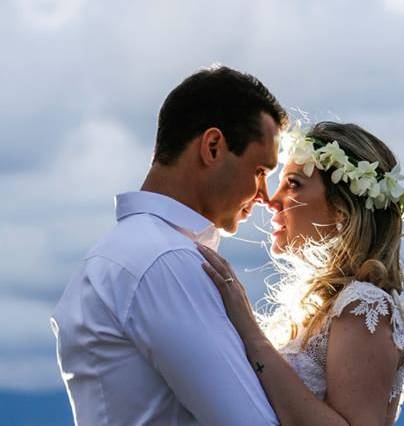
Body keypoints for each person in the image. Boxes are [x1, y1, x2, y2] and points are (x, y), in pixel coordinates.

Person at [50, 65, 288, 425]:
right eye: (259, 171)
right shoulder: (165, 261)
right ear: (212, 147)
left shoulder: (119, 253)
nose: (264, 195)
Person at [198, 121, 404, 425]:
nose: (270, 200)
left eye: (293, 184)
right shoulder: (323, 306)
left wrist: (249, 331)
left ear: (341, 210)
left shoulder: (363, 306)